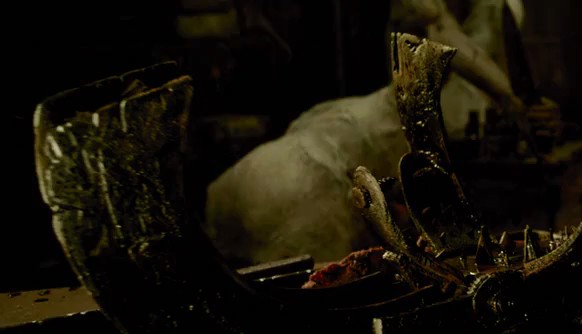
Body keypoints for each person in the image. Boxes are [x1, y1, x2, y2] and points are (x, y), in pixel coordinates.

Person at [205, 0, 540, 265]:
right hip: (311, 175)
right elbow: (445, 41)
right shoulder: (446, 45)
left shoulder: (464, 75)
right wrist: (511, 100)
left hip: (301, 161)